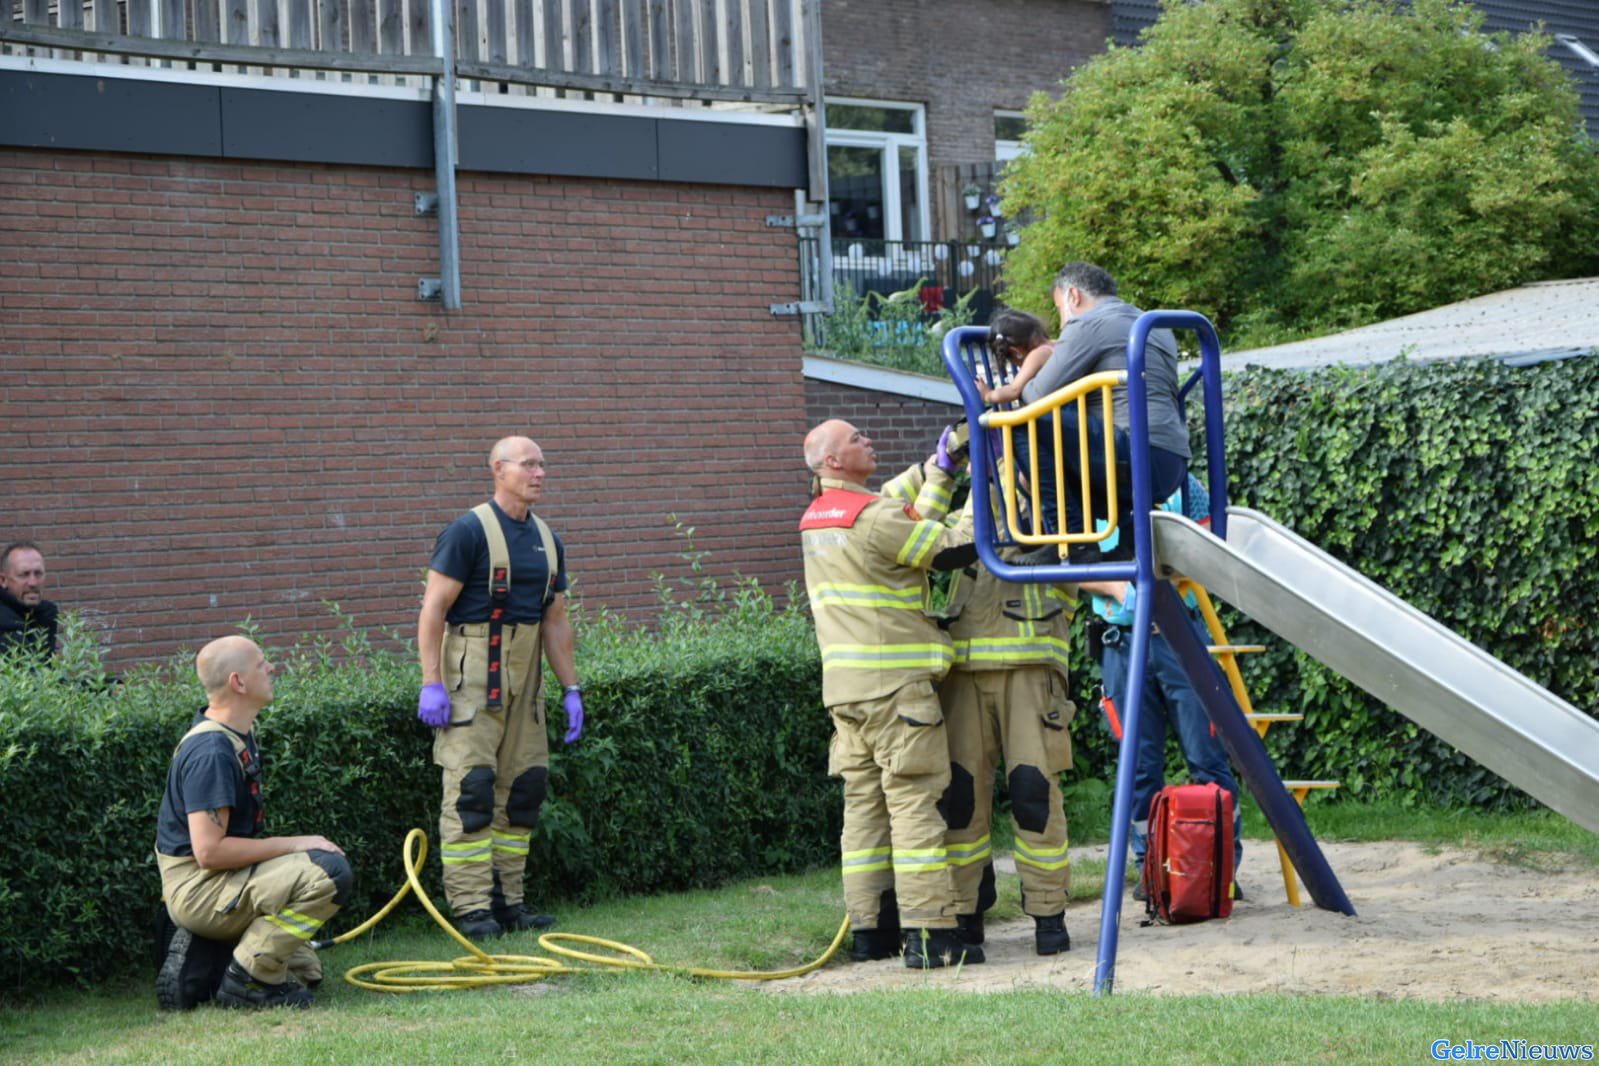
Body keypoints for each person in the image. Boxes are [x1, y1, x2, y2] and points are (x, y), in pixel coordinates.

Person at [800, 418, 982, 969]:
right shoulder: (875, 520)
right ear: (833, 460)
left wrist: (941, 466)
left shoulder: (821, 515)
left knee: (864, 815)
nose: (867, 440)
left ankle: (871, 933)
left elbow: (893, 508)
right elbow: (951, 547)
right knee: (916, 806)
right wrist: (987, 496)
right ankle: (930, 936)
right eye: (856, 438)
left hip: (847, 695)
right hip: (897, 692)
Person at [416, 435, 583, 941]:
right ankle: (470, 909)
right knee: (472, 790)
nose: (539, 473)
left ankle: (509, 902)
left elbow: (555, 622)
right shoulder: (466, 533)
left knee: (524, 789)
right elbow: (432, 611)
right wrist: (431, 684)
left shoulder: (548, 540)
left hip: (525, 684)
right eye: (528, 464)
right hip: (471, 680)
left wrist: (570, 688)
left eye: (542, 463)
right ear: (498, 470)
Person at [154, 635, 353, 1011]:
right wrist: (297, 843)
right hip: (200, 888)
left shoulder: (235, 735)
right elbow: (209, 852)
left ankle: (213, 961)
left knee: (306, 971)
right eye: (262, 663)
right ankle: (249, 982)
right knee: (328, 873)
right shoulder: (211, 752)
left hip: (217, 882)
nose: (272, 668)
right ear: (238, 682)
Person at [1079, 476, 1242, 897]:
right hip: (1122, 643)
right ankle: (1150, 869)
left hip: (1180, 638)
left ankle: (1221, 867)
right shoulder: (1087, 487)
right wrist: (1120, 589)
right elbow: (1071, 567)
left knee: (1206, 758)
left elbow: (1210, 545)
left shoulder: (1183, 486)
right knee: (1138, 766)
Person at [938, 532, 1078, 955]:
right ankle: (966, 912)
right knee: (960, 799)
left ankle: (1048, 913)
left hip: (1032, 661)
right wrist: (940, 470)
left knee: (1033, 792)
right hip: (962, 663)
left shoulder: (1050, 487)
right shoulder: (965, 492)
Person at [995, 264, 1191, 559]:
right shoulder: (1152, 324)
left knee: (1023, 423)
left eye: (1060, 310)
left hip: (1133, 458)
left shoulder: (1088, 325)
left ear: (1073, 296)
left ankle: (1075, 540)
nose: (1061, 326)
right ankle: (1128, 540)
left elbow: (1035, 397)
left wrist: (1024, 371)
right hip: (1172, 464)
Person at [0, 541, 58, 662]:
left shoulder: (46, 615)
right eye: (24, 575)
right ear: (3, 580)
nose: (33, 583)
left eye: (38, 574)